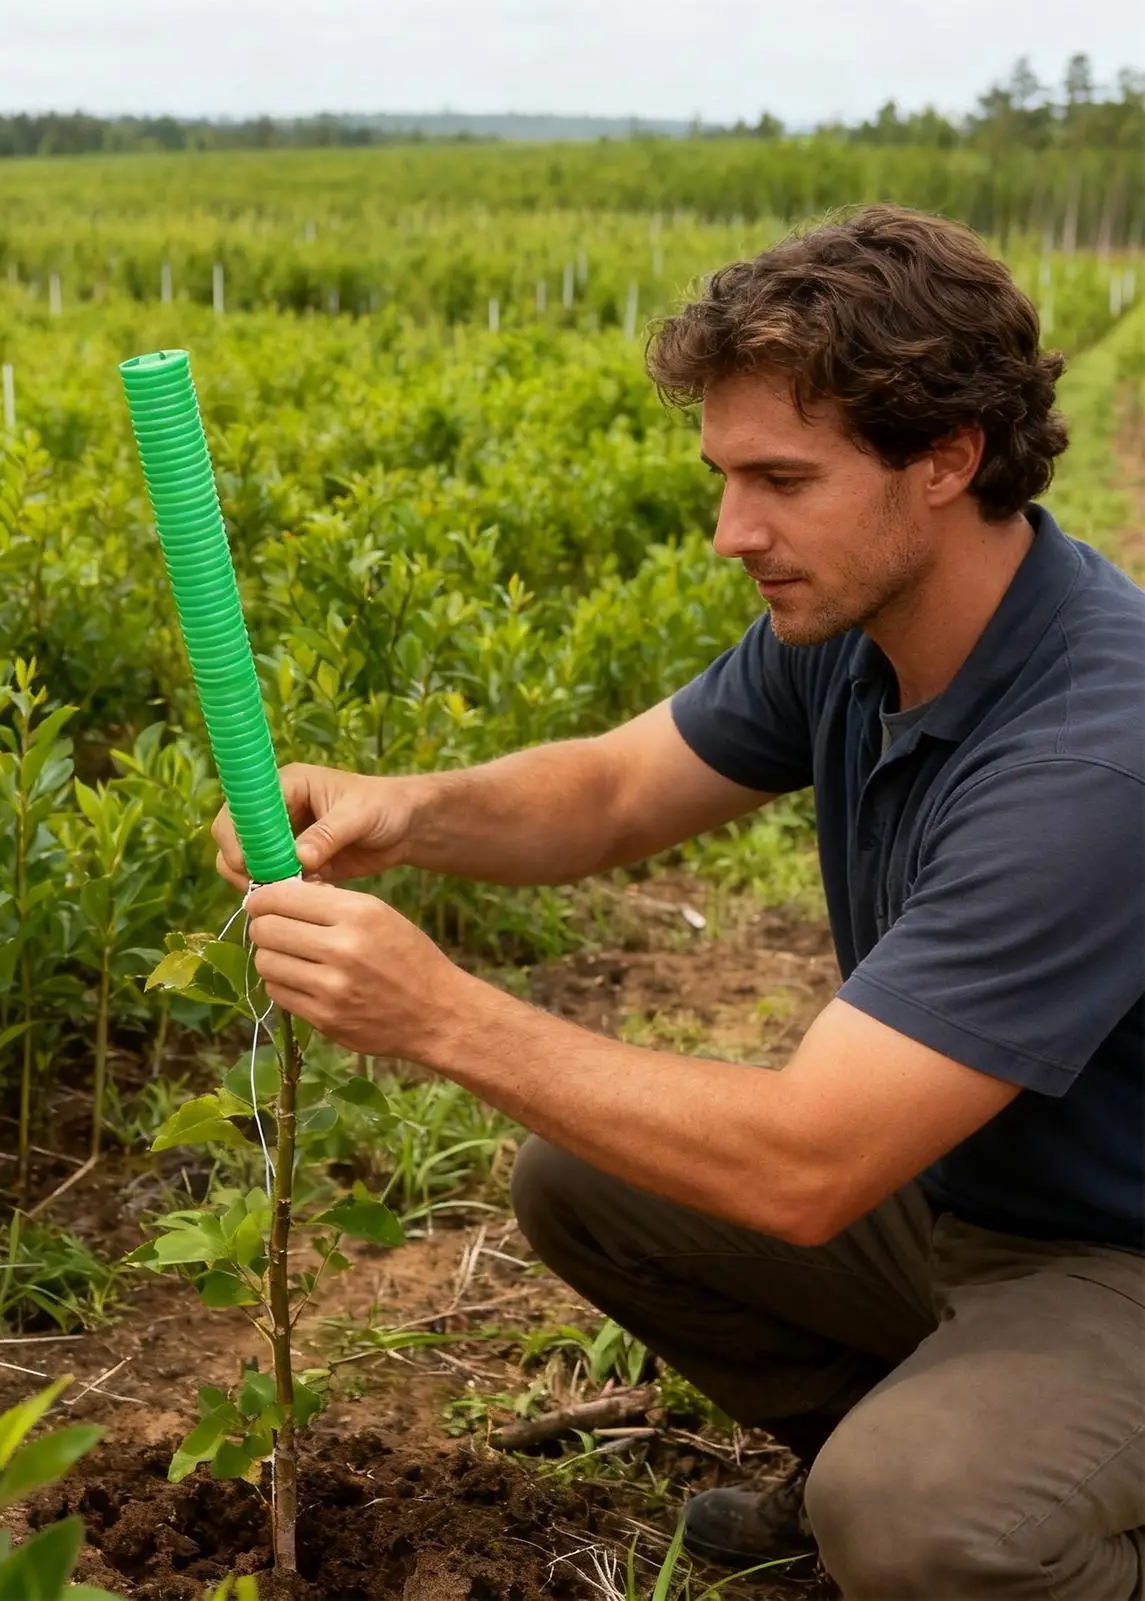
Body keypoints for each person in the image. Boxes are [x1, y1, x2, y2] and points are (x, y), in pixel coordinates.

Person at [213, 205, 1145, 1600]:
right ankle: (879, 1466)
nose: (730, 531)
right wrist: (408, 806)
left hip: (1117, 1251)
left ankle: (1002, 1518)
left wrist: (436, 1015)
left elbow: (807, 1164)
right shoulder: (860, 628)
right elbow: (610, 794)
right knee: (588, 1180)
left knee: (919, 1517)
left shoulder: (1089, 759)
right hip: (973, 1200)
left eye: (780, 478)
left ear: (949, 459)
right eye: (723, 475)